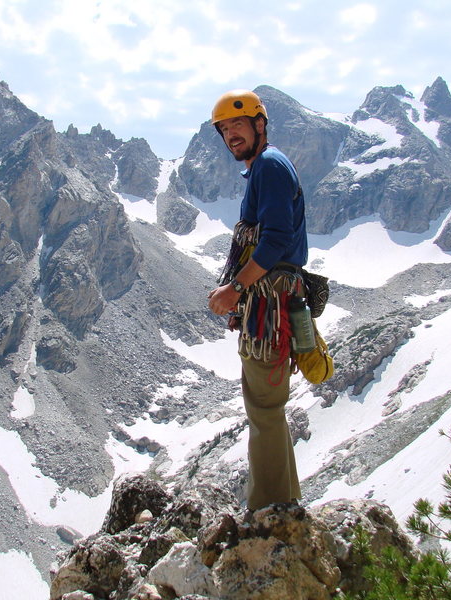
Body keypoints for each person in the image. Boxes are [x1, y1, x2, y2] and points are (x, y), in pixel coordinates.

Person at [207, 89, 308, 511]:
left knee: (264, 410)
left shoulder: (268, 166)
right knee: (269, 408)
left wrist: (235, 289)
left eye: (239, 125)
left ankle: (267, 512)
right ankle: (286, 502)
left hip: (269, 306)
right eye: (225, 129)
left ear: (260, 125)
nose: (231, 134)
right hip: (274, 303)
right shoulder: (267, 167)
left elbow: (275, 241)